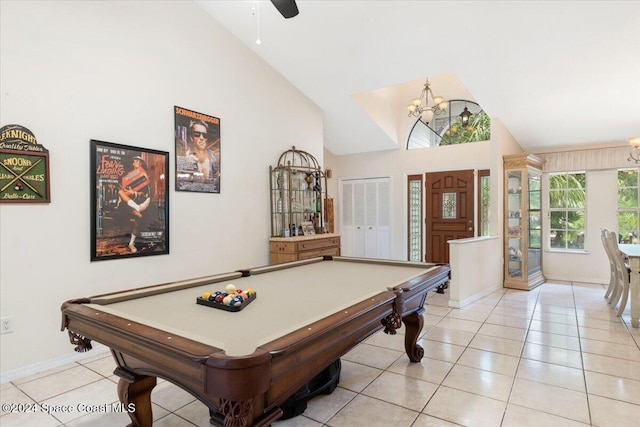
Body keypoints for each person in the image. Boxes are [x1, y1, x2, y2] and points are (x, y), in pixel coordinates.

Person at [118, 156, 151, 253]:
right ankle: (131, 244)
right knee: (121, 192)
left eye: (136, 161)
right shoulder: (130, 176)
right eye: (133, 162)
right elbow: (127, 192)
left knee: (138, 223)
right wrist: (128, 192)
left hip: (144, 201)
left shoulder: (144, 175)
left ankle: (132, 243)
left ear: (140, 163)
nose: (134, 163)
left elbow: (145, 193)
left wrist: (134, 193)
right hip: (136, 203)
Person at [185, 119, 219, 189]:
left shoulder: (215, 158)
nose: (201, 138)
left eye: (204, 135)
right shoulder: (187, 158)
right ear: (192, 138)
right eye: (197, 134)